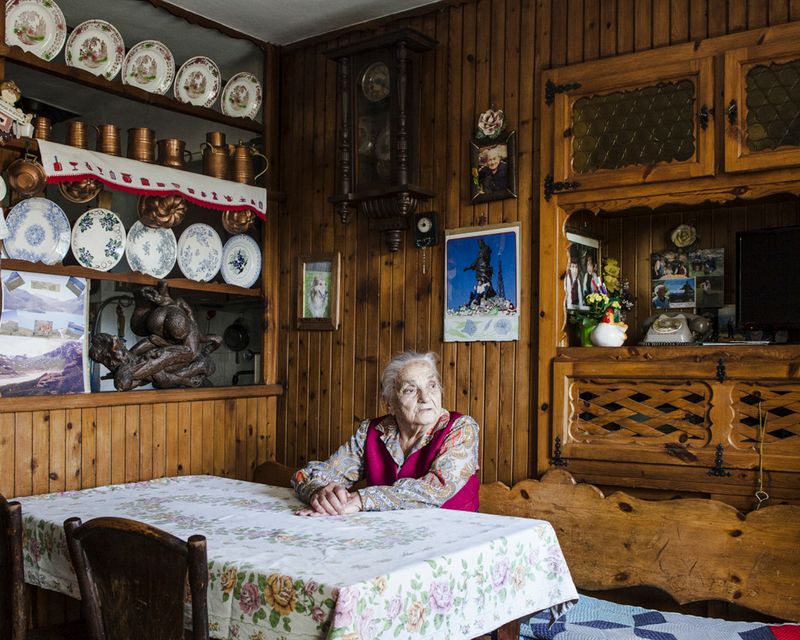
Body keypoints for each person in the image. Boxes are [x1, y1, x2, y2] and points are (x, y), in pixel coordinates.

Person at [292, 351, 480, 515]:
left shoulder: (461, 428)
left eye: (431, 386)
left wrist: (361, 499)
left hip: (452, 535)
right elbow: (309, 475)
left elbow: (435, 489)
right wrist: (321, 494)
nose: (424, 398)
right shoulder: (372, 432)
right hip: (390, 535)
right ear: (390, 403)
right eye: (410, 390)